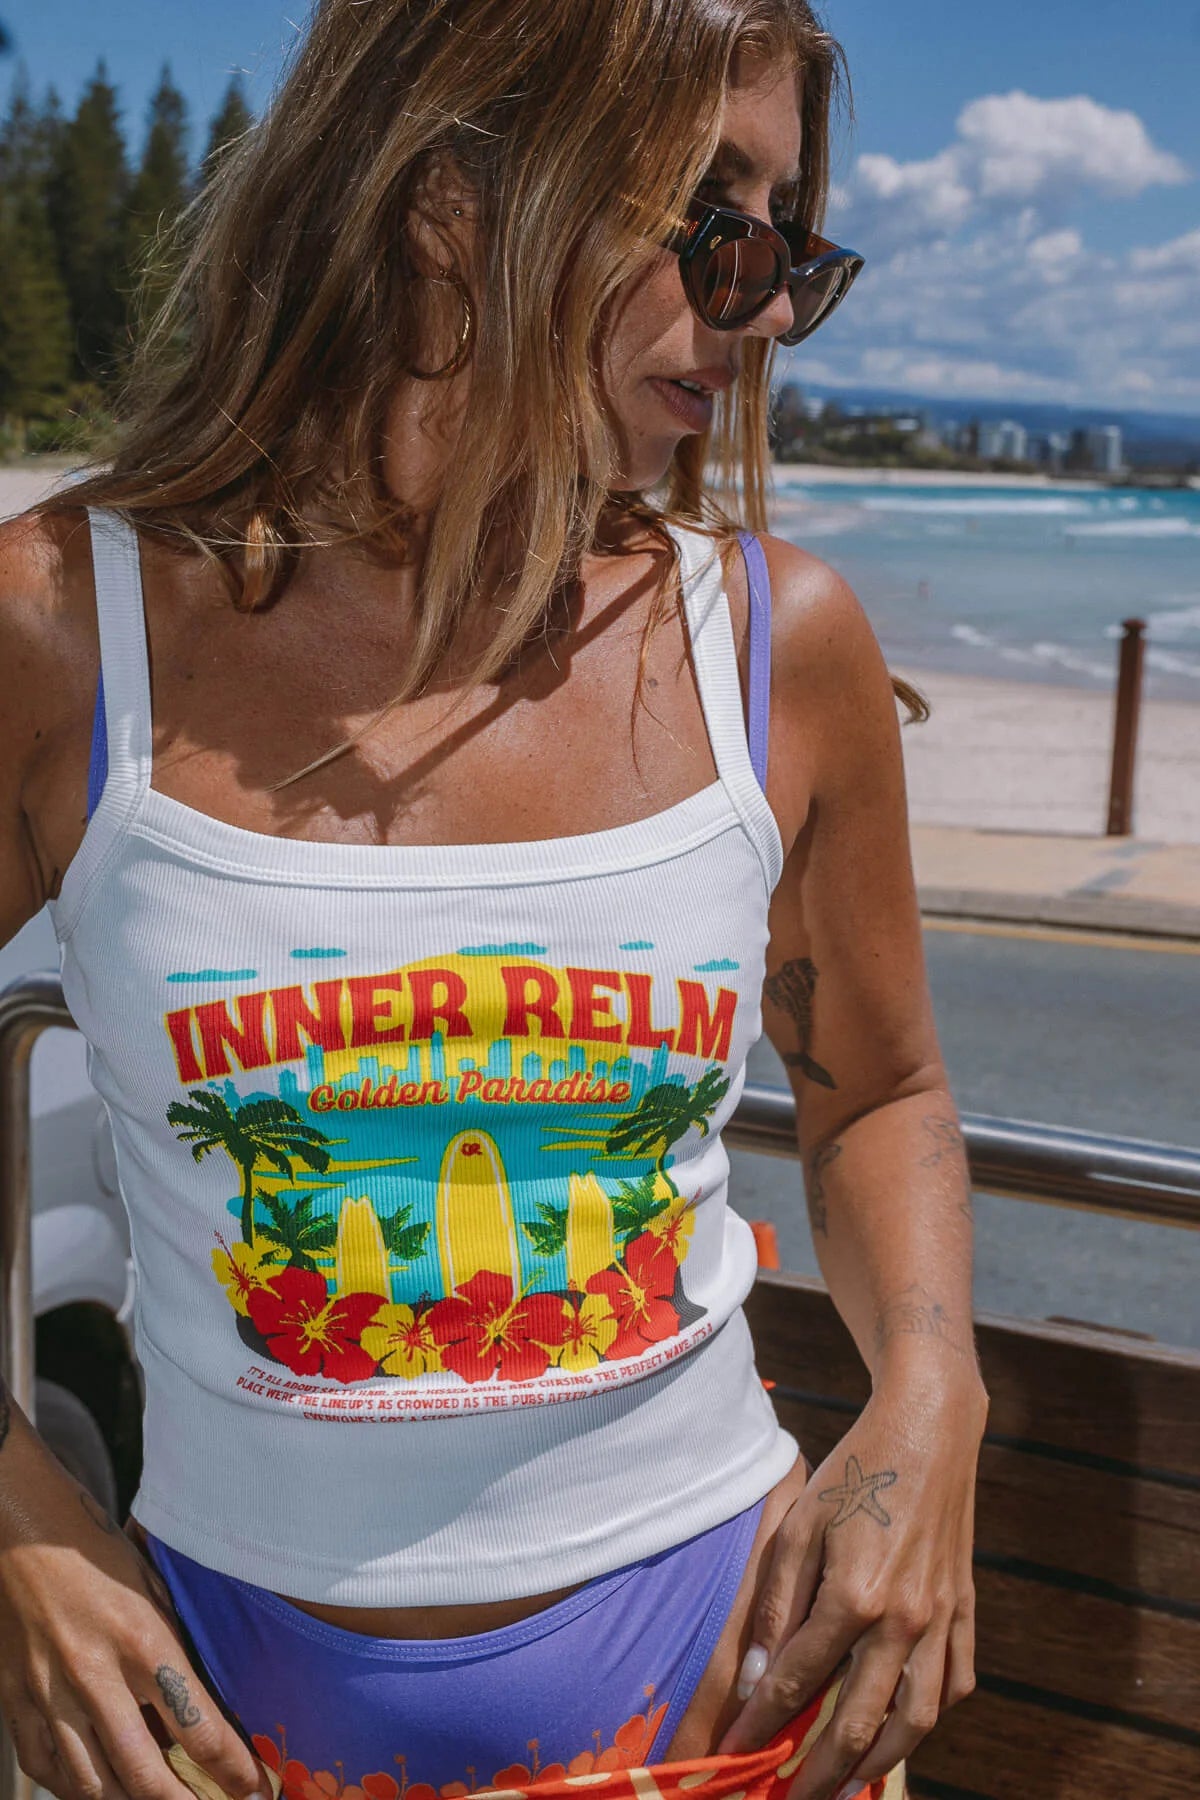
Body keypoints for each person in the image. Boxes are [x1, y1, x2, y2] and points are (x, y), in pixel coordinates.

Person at [0, 2, 986, 1797]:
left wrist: (933, 1405)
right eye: (716, 223)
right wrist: (14, 1515)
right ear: (450, 198)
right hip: (229, 1725)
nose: (765, 309)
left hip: (742, 1709)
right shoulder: (69, 630)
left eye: (791, 247)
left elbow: (885, 1095)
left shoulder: (778, 650)